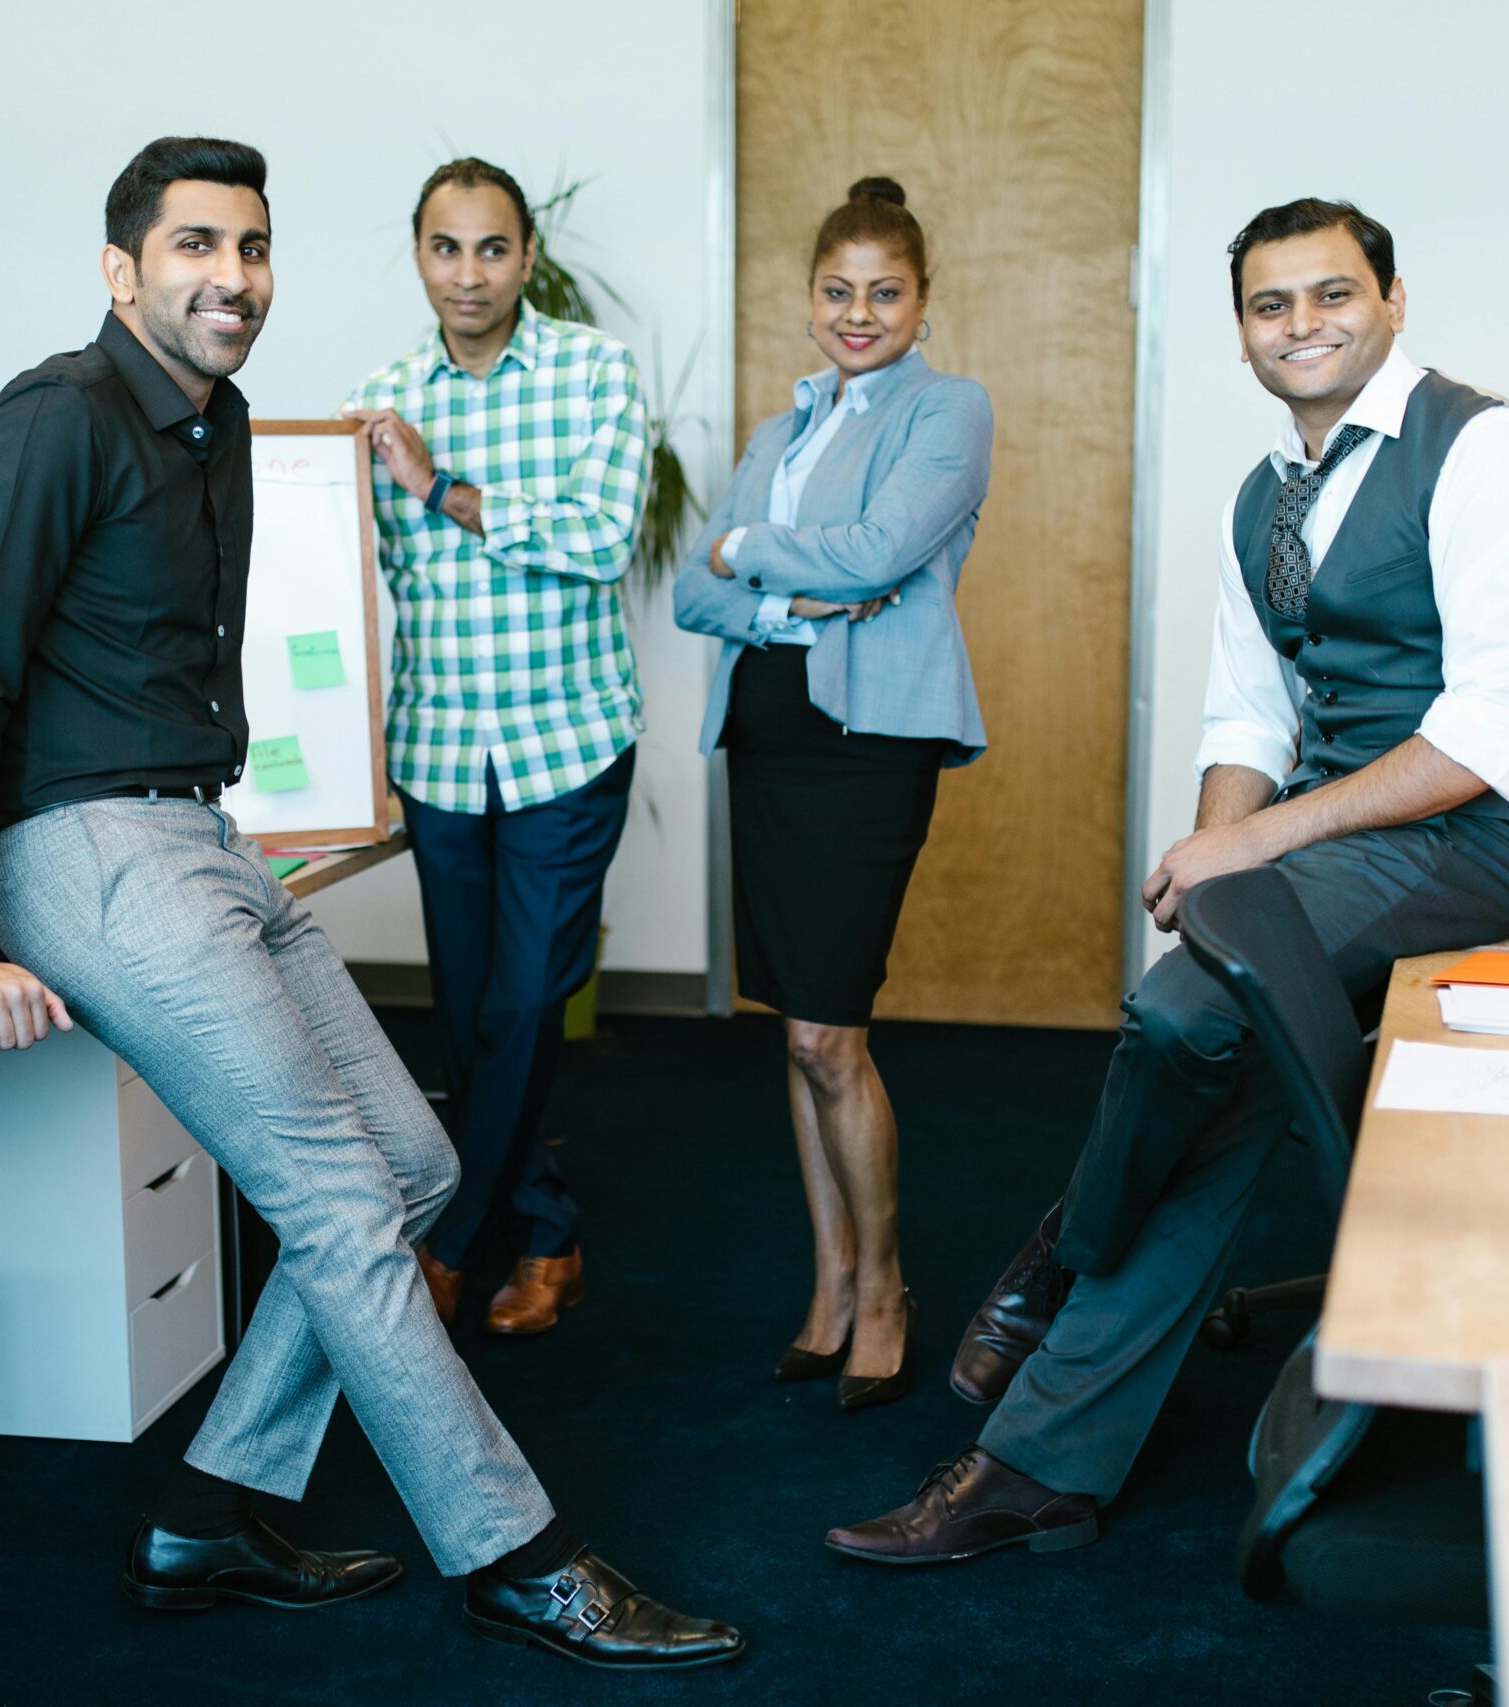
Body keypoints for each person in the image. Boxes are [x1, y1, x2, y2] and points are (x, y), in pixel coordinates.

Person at [0, 135, 741, 1670]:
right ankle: (519, 1554)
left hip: (198, 832)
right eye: (196, 245)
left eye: (253, 247)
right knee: (345, 1201)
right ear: (121, 269)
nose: (233, 277)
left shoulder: (213, 425)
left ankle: (207, 1513)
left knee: (413, 1167)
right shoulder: (52, 419)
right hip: (86, 849)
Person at [828, 197, 1509, 1558]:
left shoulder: (1490, 453)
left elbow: (1483, 741)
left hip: (1472, 840)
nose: (1303, 324)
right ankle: (1037, 1467)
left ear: (1394, 301)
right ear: (1242, 334)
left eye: (1333, 294)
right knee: (1221, 1076)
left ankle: (1065, 1248)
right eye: (1269, 304)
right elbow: (1248, 716)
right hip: (1340, 835)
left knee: (1183, 1011)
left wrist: (1249, 851)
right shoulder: (1265, 497)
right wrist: (1211, 862)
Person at [674, 177, 993, 1411]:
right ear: (810, 298)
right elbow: (690, 593)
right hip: (766, 742)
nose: (858, 314)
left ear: (921, 301)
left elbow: (877, 555)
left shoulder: (946, 410)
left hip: (864, 751)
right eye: (837, 291)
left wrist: (747, 553)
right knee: (797, 1031)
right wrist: (781, 600)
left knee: (829, 1032)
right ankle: (830, 1282)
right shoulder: (781, 429)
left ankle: (887, 1287)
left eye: (884, 292)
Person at [340, 158, 649, 1339]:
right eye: (444, 247)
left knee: (523, 1003)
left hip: (566, 741)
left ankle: (454, 1242)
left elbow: (601, 540)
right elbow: (361, 577)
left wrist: (441, 486)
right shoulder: (377, 399)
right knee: (470, 1010)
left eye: (490, 247)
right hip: (438, 750)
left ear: (527, 256)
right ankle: (549, 1234)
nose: (467, 273)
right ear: (419, 255)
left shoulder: (593, 373)